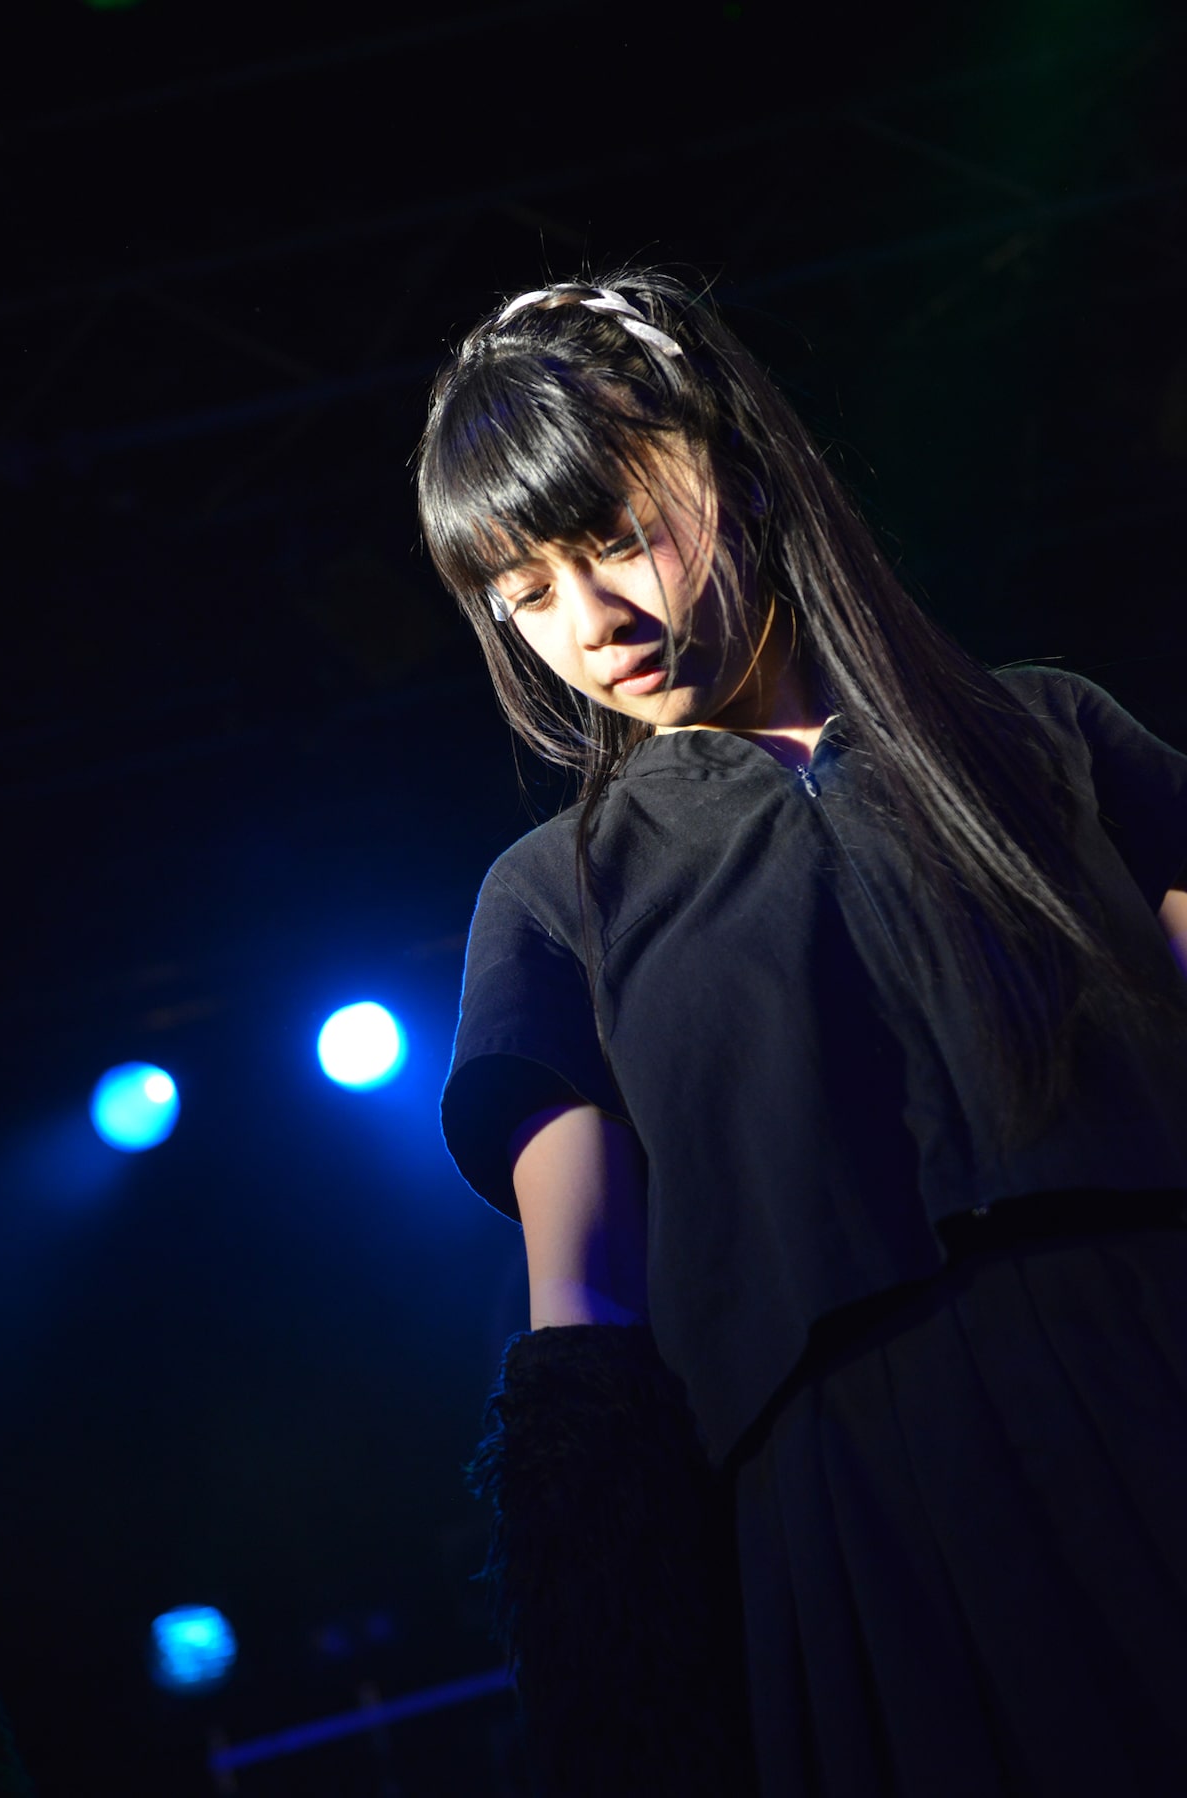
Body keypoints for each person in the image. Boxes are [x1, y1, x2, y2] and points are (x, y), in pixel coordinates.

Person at [416, 270, 1187, 1798]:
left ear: (741, 465)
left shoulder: (1047, 735)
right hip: (857, 1525)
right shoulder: (555, 896)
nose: (590, 624)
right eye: (525, 593)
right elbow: (581, 1321)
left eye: (613, 537)